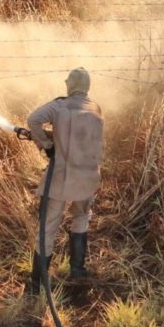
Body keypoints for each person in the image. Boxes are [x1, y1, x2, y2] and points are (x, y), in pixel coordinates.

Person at [25, 67, 104, 295]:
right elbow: (81, 138)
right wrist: (55, 137)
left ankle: (36, 285)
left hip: (61, 178)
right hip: (88, 177)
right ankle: (77, 271)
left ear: (70, 85)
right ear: (87, 87)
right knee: (81, 218)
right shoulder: (95, 108)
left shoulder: (59, 106)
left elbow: (33, 120)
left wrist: (47, 145)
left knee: (48, 227)